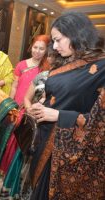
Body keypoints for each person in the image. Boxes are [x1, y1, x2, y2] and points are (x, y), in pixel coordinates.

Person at [27, 12, 105, 199]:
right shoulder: (68, 60)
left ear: (76, 34)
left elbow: (100, 123)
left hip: (71, 157)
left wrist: (59, 116)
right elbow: (63, 95)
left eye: (58, 40)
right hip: (47, 142)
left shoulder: (101, 68)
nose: (54, 46)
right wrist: (43, 104)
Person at [0, 35, 50, 198]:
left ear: (47, 50)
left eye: (42, 49)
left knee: (23, 142)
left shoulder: (46, 69)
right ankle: (5, 170)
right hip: (18, 108)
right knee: (10, 139)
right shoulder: (21, 65)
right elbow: (14, 86)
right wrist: (12, 105)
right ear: (31, 47)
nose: (37, 51)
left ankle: (14, 176)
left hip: (32, 113)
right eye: (35, 47)